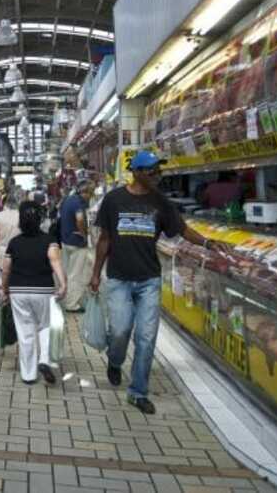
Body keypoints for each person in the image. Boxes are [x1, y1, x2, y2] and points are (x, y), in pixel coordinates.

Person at [90, 151, 230, 415]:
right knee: (119, 332)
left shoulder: (161, 202)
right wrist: (96, 273)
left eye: (159, 171)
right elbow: (104, 239)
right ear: (138, 172)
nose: (158, 175)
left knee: (146, 337)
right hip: (119, 277)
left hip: (149, 280)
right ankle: (115, 360)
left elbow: (182, 229)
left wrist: (208, 243)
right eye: (153, 171)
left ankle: (138, 392)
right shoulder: (114, 200)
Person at [2, 202, 67, 385]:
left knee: (25, 331)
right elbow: (55, 261)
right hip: (44, 289)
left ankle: (29, 375)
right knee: (45, 326)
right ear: (40, 219)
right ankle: (44, 360)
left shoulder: (14, 243)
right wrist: (63, 284)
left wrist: (4, 289)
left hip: (18, 291)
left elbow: (6, 269)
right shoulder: (49, 240)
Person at [60, 180, 95, 313]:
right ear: (84, 192)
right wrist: (85, 235)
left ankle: (70, 297)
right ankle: (71, 304)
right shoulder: (78, 203)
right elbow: (80, 219)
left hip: (66, 241)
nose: (90, 197)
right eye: (90, 194)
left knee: (70, 272)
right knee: (77, 274)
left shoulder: (68, 199)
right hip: (77, 243)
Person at [0, 192, 21, 268]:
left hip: (3, 252)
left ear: (5, 203)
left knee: (3, 274)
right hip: (17, 251)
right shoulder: (21, 216)